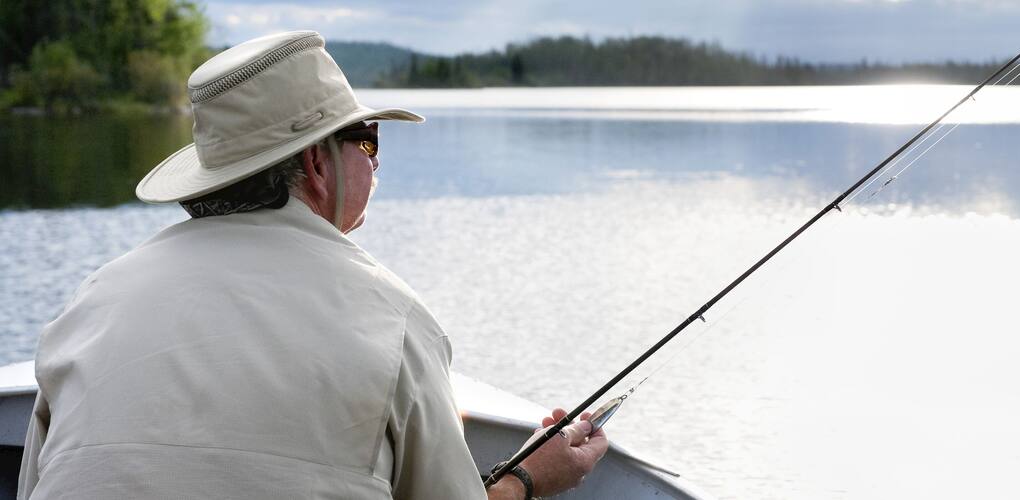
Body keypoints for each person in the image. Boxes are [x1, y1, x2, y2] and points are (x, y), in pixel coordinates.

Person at [17, 30, 606, 500]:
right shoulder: (390, 316)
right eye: (368, 142)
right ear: (317, 164)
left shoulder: (90, 302)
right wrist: (527, 479)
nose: (377, 168)